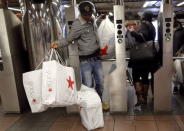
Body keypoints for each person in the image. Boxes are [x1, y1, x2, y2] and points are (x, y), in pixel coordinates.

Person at [51, 1, 109, 110]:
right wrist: (57, 44)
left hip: (97, 59)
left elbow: (95, 24)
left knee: (100, 83)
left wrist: (100, 18)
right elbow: (69, 39)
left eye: (90, 14)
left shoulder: (92, 19)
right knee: (88, 85)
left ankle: (99, 102)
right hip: (85, 61)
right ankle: (90, 106)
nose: (88, 16)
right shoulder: (77, 25)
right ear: (81, 13)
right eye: (85, 15)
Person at [128, 11, 156, 107]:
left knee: (135, 76)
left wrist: (132, 32)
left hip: (139, 56)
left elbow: (141, 37)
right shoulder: (152, 26)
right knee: (145, 77)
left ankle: (140, 98)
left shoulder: (144, 24)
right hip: (148, 55)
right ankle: (144, 98)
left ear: (144, 17)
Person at [173, 18, 184, 94]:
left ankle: (181, 86)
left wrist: (180, 50)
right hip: (169, 54)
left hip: (179, 54)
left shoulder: (182, 31)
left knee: (180, 71)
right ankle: (175, 86)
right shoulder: (167, 30)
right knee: (173, 72)